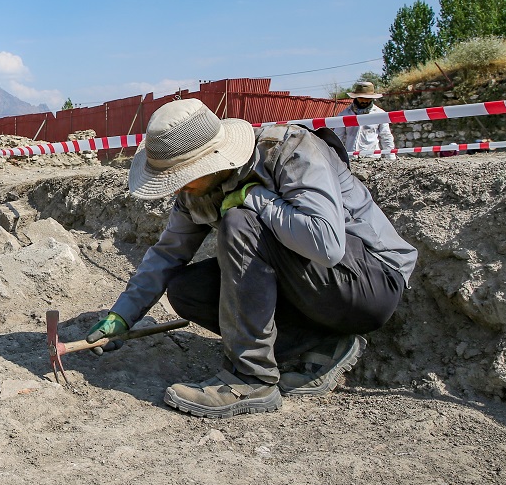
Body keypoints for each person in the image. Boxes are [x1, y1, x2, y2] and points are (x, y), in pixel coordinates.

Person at [87, 99, 416, 418]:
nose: (176, 189)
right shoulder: (196, 191)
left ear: (212, 160)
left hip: (370, 283)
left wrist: (253, 198)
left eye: (181, 177)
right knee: (187, 289)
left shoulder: (291, 150)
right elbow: (167, 254)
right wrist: (123, 315)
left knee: (240, 221)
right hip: (317, 290)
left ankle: (250, 380)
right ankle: (318, 346)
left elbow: (327, 244)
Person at [332, 80, 397, 160]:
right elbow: (338, 137)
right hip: (351, 159)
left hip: (372, 159)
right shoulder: (344, 115)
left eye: (368, 98)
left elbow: (386, 136)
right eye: (361, 98)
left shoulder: (379, 114)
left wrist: (391, 158)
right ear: (356, 97)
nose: (364, 101)